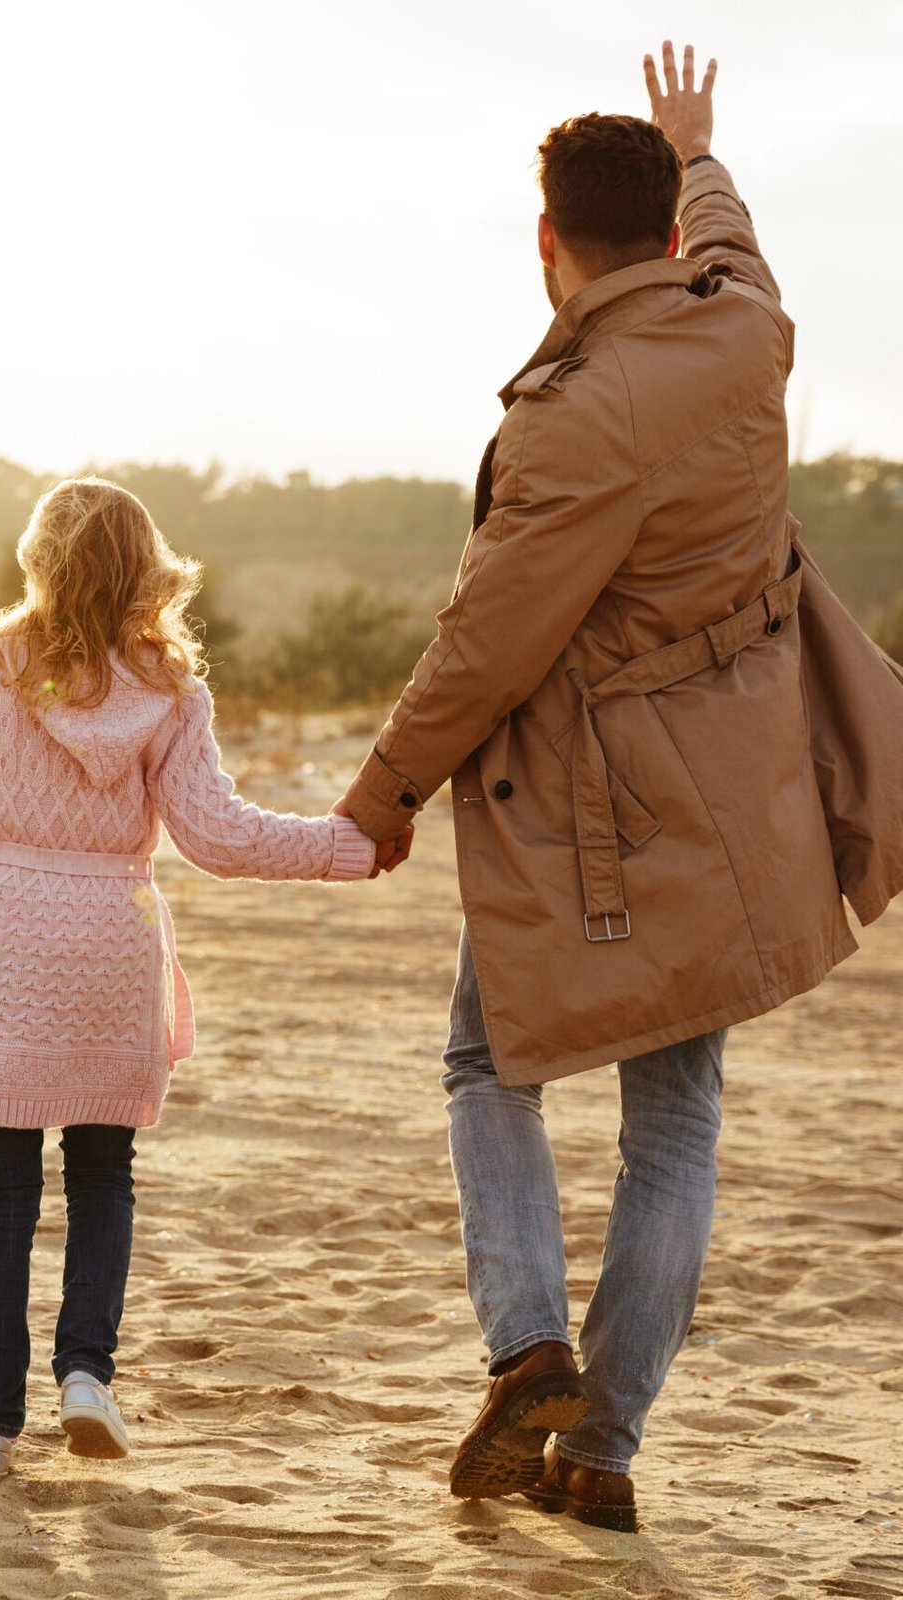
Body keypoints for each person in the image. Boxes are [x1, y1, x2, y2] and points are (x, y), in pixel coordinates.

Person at [334, 44, 903, 1531]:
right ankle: (602, 1454)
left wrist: (387, 789)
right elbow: (736, 246)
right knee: (680, 1122)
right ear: (666, 234)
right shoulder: (749, 331)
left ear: (547, 246)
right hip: (740, 798)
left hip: (603, 809)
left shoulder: (577, 416)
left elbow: (488, 640)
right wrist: (700, 148)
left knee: (487, 1063)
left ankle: (530, 1347)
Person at [0, 477, 404, 1482]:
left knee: (2, 1186)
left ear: (40, 561)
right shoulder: (171, 692)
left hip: (4, 939)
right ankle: (86, 1375)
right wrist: (346, 847)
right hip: (112, 935)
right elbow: (218, 836)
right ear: (145, 571)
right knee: (103, 1172)